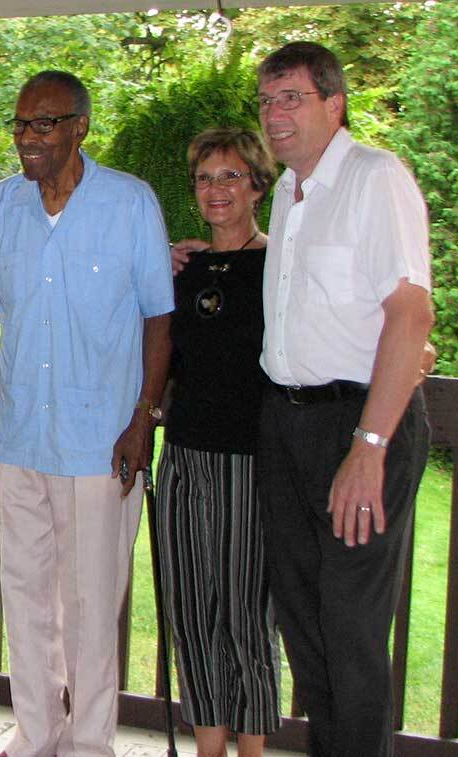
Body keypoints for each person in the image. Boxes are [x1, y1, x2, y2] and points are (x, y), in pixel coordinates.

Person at [0, 70, 173, 757]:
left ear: (80, 126)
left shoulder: (130, 204)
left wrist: (144, 415)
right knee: (24, 597)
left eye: (43, 124)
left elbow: (158, 320)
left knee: (90, 605)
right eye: (20, 125)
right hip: (20, 434)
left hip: (101, 441)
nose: (28, 139)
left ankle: (88, 744)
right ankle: (35, 734)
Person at [254, 42, 433, 756]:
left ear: (335, 103)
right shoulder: (288, 192)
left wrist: (370, 445)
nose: (275, 114)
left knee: (351, 627)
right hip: (287, 423)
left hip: (357, 428)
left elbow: (410, 313)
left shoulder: (374, 177)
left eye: (291, 97)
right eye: (266, 100)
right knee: (305, 621)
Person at [155, 127, 282, 757]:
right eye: (205, 178)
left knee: (245, 615)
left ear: (258, 185)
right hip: (183, 456)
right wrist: (165, 258)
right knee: (192, 613)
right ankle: (208, 746)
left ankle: (252, 749)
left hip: (251, 463)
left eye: (231, 176)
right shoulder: (184, 267)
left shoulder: (281, 264)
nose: (217, 189)